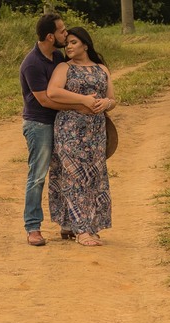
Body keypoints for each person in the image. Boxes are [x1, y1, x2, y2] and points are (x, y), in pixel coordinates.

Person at [19, 14, 102, 247]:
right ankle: (33, 227)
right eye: (62, 31)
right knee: (37, 176)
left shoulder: (56, 56)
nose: (66, 35)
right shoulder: (32, 63)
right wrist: (81, 104)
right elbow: (45, 100)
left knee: (64, 173)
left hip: (62, 124)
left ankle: (68, 224)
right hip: (39, 124)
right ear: (50, 36)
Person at [46, 27, 117, 247]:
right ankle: (82, 230)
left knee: (94, 177)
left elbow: (112, 98)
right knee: (73, 177)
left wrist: (106, 103)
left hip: (96, 131)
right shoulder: (64, 67)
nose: (68, 46)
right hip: (70, 129)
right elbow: (53, 92)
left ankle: (88, 226)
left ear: (86, 45)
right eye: (67, 43)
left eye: (73, 42)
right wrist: (83, 100)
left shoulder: (101, 68)